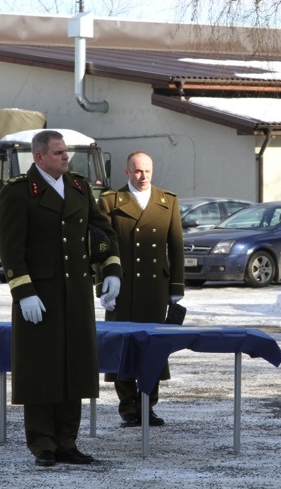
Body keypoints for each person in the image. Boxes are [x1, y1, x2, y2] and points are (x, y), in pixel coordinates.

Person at [0, 130, 122, 467]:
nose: (66, 158)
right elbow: (11, 249)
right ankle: (43, 444)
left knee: (75, 367)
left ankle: (67, 441)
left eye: (66, 152)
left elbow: (103, 232)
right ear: (39, 157)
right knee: (42, 370)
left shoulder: (79, 187)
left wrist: (111, 269)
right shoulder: (19, 193)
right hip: (40, 295)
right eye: (58, 153)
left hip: (76, 294)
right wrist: (23, 292)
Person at [97, 151, 185, 428]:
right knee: (121, 346)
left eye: (147, 171)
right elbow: (102, 246)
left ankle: (148, 405)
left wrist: (176, 286)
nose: (143, 176)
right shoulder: (111, 201)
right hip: (121, 285)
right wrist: (102, 286)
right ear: (126, 173)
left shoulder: (167, 201)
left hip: (154, 287)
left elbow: (176, 246)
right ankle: (127, 407)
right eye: (137, 171)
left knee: (153, 346)